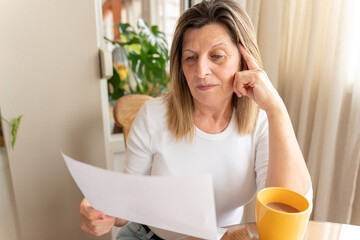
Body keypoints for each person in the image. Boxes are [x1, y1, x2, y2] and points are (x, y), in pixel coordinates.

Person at [79, 0, 313, 239]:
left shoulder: (261, 122)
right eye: (190, 58)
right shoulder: (153, 116)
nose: (201, 71)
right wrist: (102, 210)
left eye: (217, 56)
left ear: (244, 60)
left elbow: (287, 211)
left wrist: (276, 109)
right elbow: (127, 203)